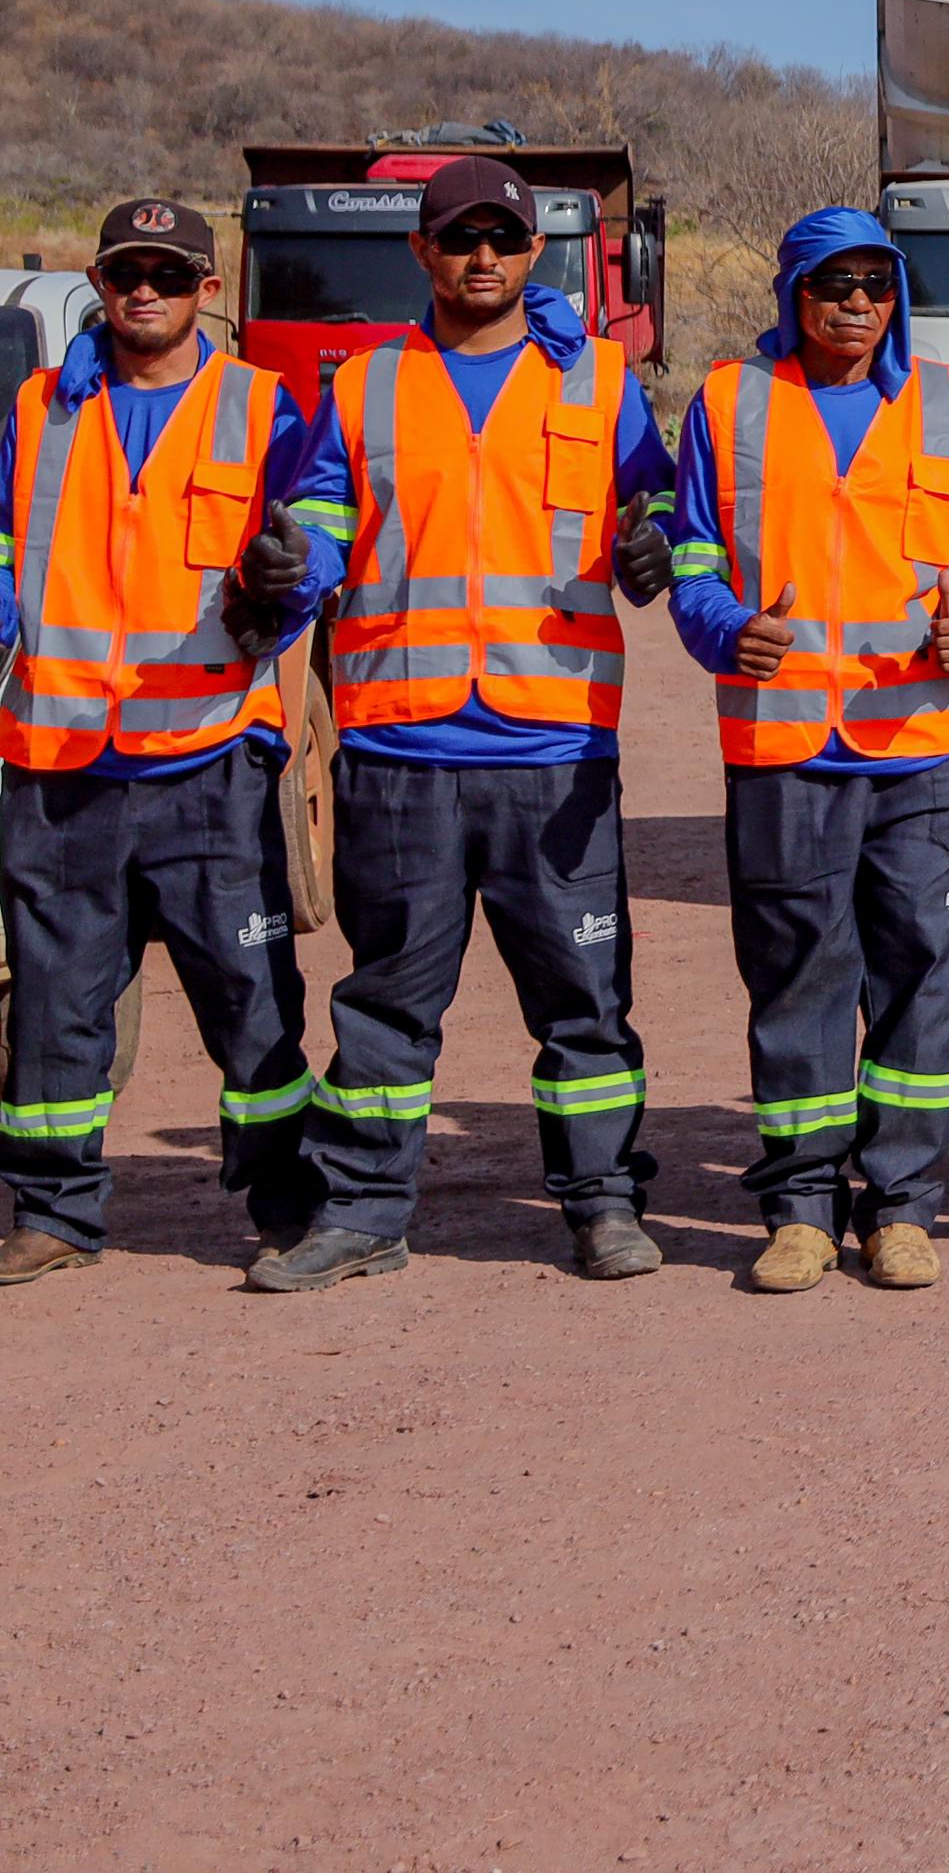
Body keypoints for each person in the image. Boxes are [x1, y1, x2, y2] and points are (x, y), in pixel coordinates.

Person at [247, 156, 680, 1293]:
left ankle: (602, 1204)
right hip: (403, 746)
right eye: (458, 237)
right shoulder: (366, 385)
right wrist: (298, 562)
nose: (480, 255)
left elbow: (659, 509)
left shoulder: (597, 379)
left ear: (536, 252)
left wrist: (659, 549)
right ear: (422, 255)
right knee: (387, 1000)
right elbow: (324, 517)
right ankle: (361, 1211)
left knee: (585, 1003)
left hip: (555, 748)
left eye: (501, 237)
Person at [665, 211, 949, 1294]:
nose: (853, 302)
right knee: (798, 979)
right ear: (791, 292)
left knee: (921, 981)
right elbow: (696, 559)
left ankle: (900, 1207)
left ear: (896, 294)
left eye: (873, 282)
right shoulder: (728, 402)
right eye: (829, 283)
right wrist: (725, 629)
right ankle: (801, 1207)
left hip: (922, 745)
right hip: (786, 742)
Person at [0, 200, 332, 1286]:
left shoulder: (262, 407)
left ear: (206, 290)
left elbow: (307, 546)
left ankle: (286, 1202)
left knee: (252, 997)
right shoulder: (38, 406)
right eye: (127, 271)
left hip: (208, 759)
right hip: (59, 768)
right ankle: (52, 1212)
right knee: (56, 1001)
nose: (146, 290)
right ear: (100, 283)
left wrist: (287, 589)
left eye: (170, 273)